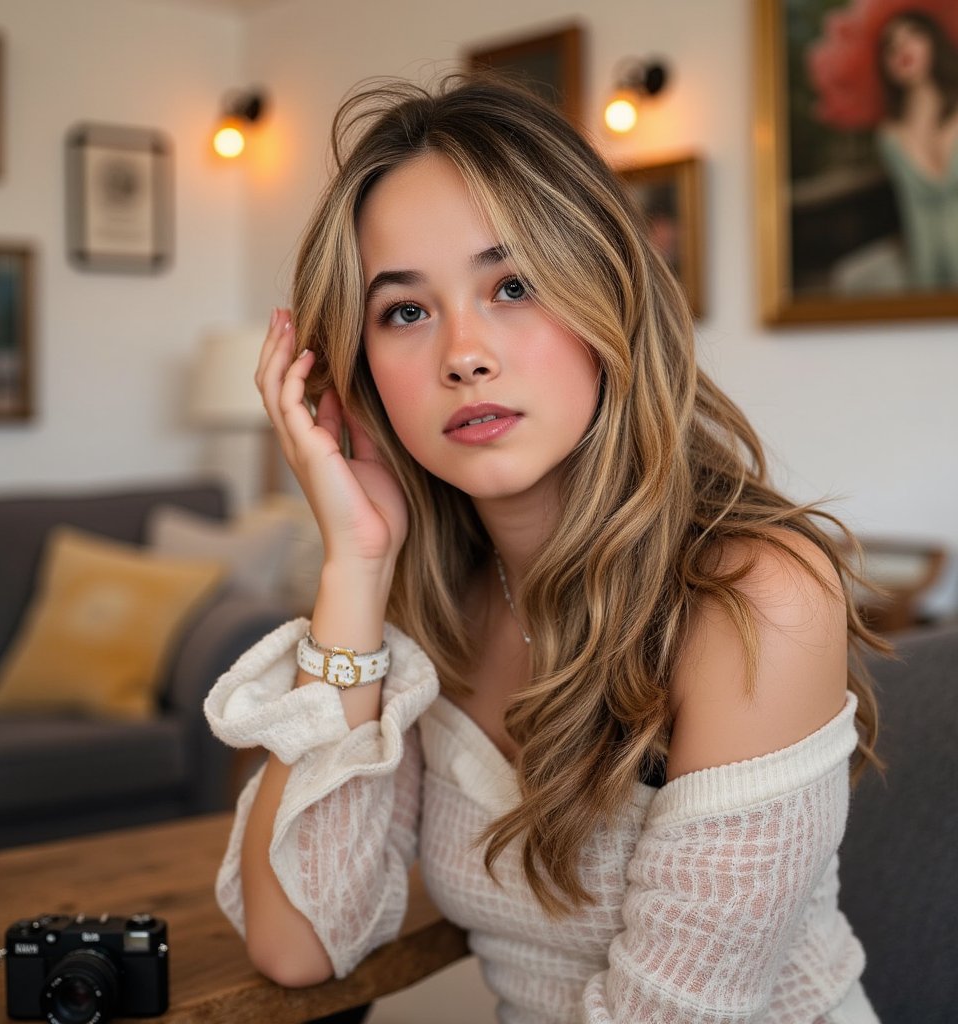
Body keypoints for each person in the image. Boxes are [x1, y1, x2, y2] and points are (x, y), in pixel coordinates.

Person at [205, 76, 887, 1022]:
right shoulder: (425, 601)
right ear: (358, 378)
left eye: (513, 286)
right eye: (405, 311)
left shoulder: (754, 598)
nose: (464, 353)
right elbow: (299, 942)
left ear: (607, 297)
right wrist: (355, 566)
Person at [809, 0, 958, 290]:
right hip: (925, 275)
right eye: (891, 46)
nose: (902, 49)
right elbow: (913, 218)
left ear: (934, 40)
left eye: (913, 34)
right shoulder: (889, 137)